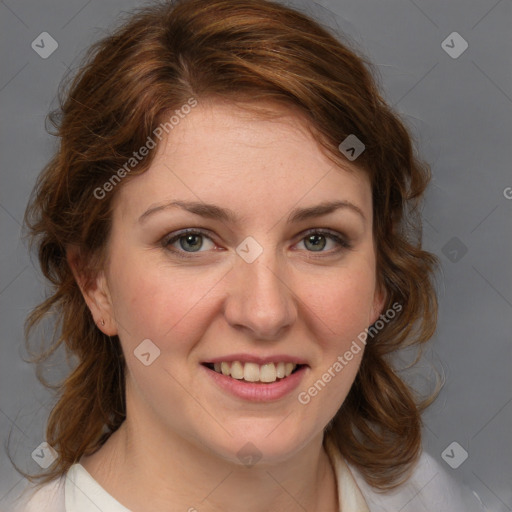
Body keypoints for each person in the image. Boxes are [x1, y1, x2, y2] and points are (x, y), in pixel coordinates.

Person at [13, 0, 488, 510]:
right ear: (94, 281)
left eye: (318, 240)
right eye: (191, 240)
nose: (265, 312)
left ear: (379, 282)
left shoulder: (429, 495)